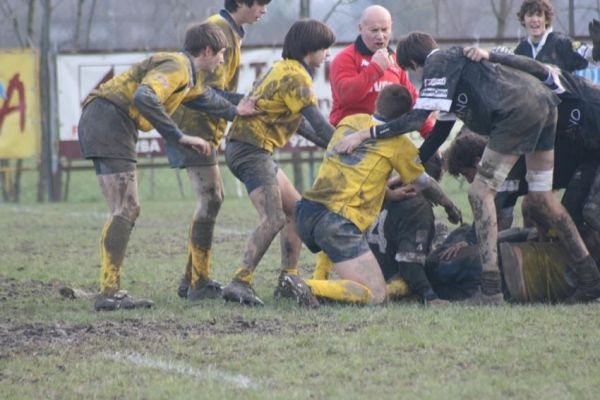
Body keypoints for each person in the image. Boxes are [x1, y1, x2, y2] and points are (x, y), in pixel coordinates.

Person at [333, 31, 600, 304]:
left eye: (412, 73)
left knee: (478, 194)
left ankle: (491, 289)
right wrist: (409, 172)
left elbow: (415, 121)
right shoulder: (456, 70)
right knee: (541, 200)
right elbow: (438, 133)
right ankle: (589, 277)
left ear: (414, 64)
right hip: (545, 107)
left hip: (516, 114)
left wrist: (363, 135)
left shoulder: (437, 63)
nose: (418, 80)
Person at [78, 23, 256, 311]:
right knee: (127, 207)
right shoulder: (177, 65)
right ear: (208, 51)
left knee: (124, 209)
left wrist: (238, 109)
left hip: (107, 118)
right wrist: (179, 136)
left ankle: (109, 290)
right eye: (221, 54)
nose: (223, 61)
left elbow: (206, 99)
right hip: (109, 119)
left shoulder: (189, 75)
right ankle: (108, 293)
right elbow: (144, 97)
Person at [294, 84, 461, 305]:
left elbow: (352, 170)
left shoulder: (350, 122)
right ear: (404, 118)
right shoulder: (400, 145)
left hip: (307, 210)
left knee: (331, 238)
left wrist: (386, 193)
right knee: (376, 294)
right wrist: (449, 205)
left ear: (376, 103)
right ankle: (306, 286)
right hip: (337, 221)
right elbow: (424, 183)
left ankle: (317, 284)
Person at [221, 20, 336, 307]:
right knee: (273, 218)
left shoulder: (284, 68)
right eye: (325, 49)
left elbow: (303, 126)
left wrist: (331, 146)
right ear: (311, 49)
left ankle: (289, 278)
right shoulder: (297, 77)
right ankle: (240, 281)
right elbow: (319, 126)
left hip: (251, 148)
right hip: (251, 150)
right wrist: (346, 145)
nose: (327, 56)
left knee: (295, 212)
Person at [168, 0, 271, 303]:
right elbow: (204, 92)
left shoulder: (231, 31)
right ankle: (198, 282)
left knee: (212, 198)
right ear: (241, 3)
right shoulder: (218, 31)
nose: (264, 11)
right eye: (261, 4)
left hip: (203, 129)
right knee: (211, 198)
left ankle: (191, 280)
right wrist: (239, 108)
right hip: (193, 129)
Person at [462, 47, 600, 233]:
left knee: (591, 210)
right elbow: (500, 202)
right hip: (587, 154)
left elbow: (534, 66)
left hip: (592, 133)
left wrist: (491, 55)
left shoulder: (544, 82)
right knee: (568, 218)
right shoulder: (518, 109)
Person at [328, 5, 433, 137]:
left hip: (385, 134)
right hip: (350, 135)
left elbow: (411, 99)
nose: (380, 36)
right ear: (360, 29)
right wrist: (375, 69)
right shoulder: (345, 58)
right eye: (374, 30)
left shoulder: (395, 59)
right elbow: (346, 97)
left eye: (384, 30)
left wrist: (429, 133)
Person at [365, 153, 450, 304]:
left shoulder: (383, 192)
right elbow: (408, 263)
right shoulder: (418, 206)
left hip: (361, 272)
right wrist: (430, 296)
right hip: (390, 282)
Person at [514, 0, 594, 73]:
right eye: (530, 15)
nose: (535, 19)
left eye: (539, 15)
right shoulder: (521, 50)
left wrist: (596, 51)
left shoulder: (562, 43)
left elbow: (591, 57)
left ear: (546, 19)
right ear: (523, 20)